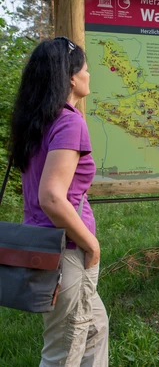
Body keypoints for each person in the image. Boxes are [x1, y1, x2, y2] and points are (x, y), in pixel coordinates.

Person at [9, 37, 109, 366]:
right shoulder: (69, 122)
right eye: (84, 67)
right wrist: (91, 245)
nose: (89, 74)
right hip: (66, 250)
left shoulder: (37, 122)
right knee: (63, 352)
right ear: (70, 77)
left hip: (42, 246)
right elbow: (52, 196)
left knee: (94, 329)